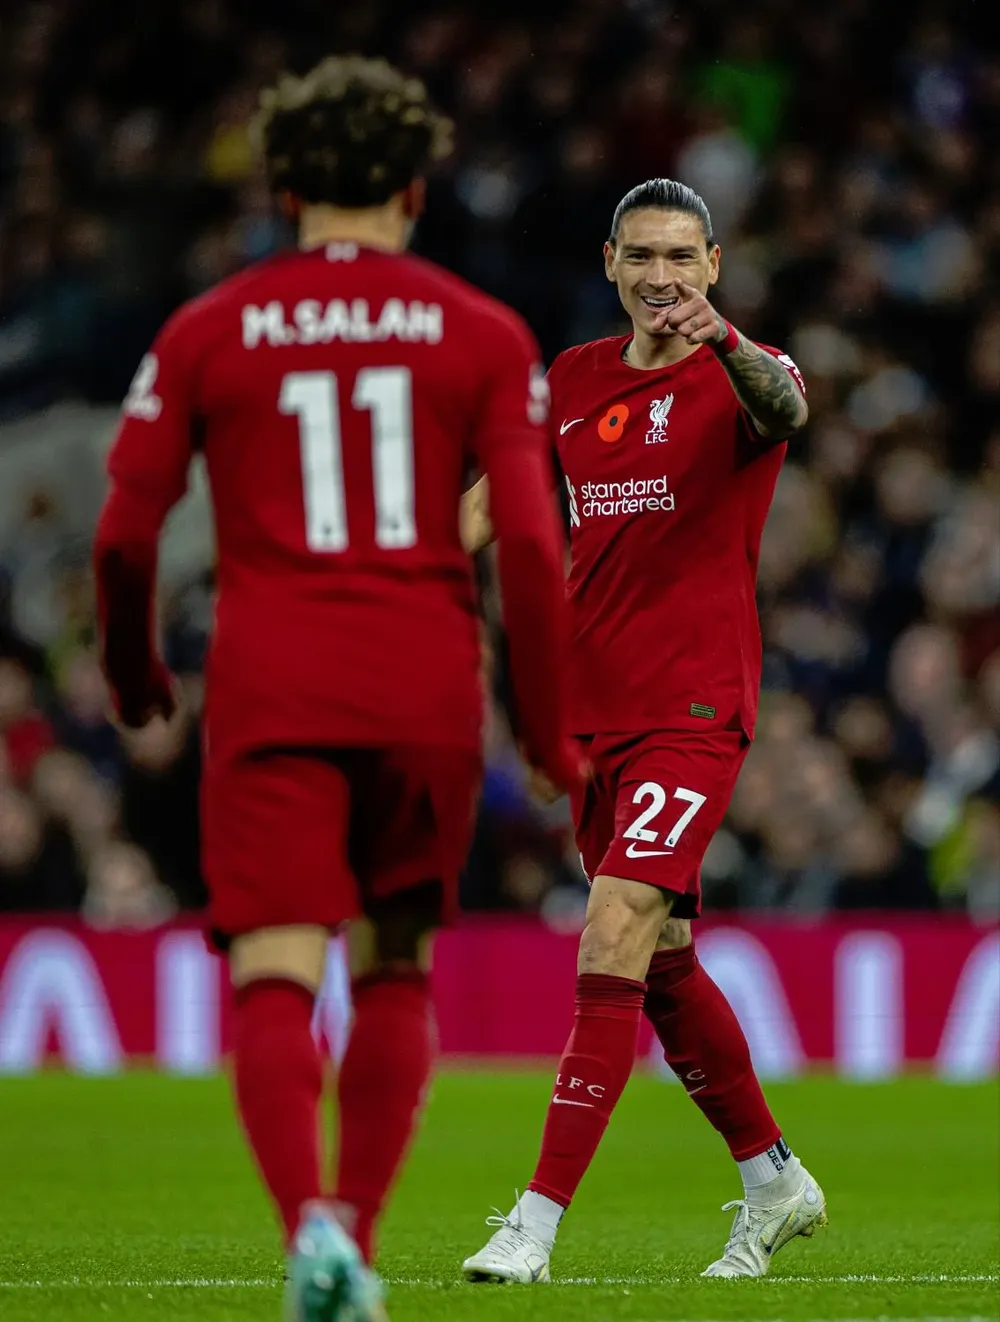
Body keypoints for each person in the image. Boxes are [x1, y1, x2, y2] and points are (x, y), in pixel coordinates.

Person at [93, 55, 580, 1322]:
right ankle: (352, 1231)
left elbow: (125, 534)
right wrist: (544, 730)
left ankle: (310, 1238)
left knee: (273, 969)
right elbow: (531, 546)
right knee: (393, 967)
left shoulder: (208, 328)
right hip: (423, 691)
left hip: (270, 691)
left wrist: (136, 673)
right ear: (415, 189)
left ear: (284, 189)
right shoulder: (483, 332)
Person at [461, 178, 826, 1283]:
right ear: (611, 265)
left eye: (681, 257)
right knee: (662, 962)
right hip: (590, 715)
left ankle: (534, 1223)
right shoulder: (572, 380)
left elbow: (787, 412)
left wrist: (728, 342)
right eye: (642, 256)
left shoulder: (747, 370)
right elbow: (496, 495)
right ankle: (774, 1179)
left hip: (694, 707)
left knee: (613, 926)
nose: (662, 276)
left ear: (713, 265)